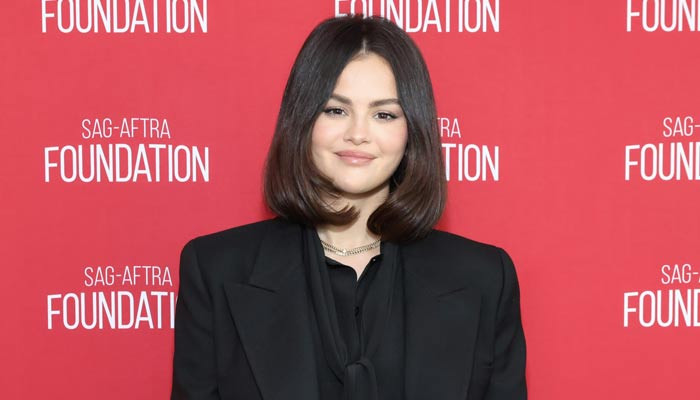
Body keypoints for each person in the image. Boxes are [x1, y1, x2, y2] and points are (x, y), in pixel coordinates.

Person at [171, 14, 527, 400]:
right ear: (302, 119)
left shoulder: (483, 279)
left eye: (384, 114)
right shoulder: (216, 271)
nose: (358, 134)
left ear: (412, 131)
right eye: (335, 110)